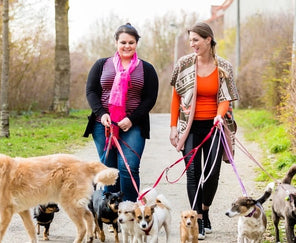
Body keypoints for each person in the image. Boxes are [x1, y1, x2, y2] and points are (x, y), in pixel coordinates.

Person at [169, 22, 239, 240]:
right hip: (189, 127)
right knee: (193, 173)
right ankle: (197, 217)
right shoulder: (184, 64)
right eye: (190, 40)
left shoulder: (224, 67)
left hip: (214, 125)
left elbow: (226, 98)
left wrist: (220, 115)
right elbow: (176, 97)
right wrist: (173, 127)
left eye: (196, 40)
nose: (192, 44)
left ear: (208, 39)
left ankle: (205, 209)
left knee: (211, 174)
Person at [83, 23, 159, 202]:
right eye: (123, 42)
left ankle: (131, 211)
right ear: (116, 43)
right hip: (104, 124)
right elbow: (91, 91)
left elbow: (150, 98)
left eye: (131, 42)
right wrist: (102, 114)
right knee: (109, 170)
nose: (127, 46)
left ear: (136, 43)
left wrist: (131, 119)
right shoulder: (102, 64)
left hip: (133, 124)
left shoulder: (146, 69)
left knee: (128, 167)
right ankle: (112, 214)